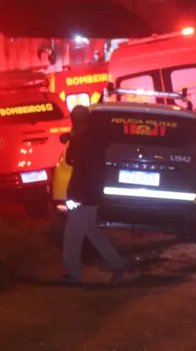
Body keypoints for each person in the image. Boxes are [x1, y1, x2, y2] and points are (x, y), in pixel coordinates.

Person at [60, 105, 127, 283]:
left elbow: (74, 163)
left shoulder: (82, 141)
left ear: (75, 121)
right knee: (92, 233)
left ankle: (74, 275)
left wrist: (74, 195)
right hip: (92, 194)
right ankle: (117, 263)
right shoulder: (95, 140)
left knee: (72, 239)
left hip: (82, 196)